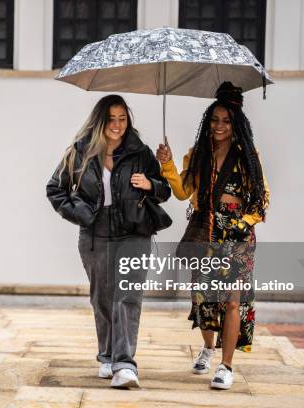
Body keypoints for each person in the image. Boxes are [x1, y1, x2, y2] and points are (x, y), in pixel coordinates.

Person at [46, 95, 171, 388]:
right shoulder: (80, 152)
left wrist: (151, 183)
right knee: (102, 298)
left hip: (133, 229)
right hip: (95, 231)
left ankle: (125, 365)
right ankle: (108, 356)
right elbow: (55, 189)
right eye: (112, 119)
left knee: (126, 296)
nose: (117, 125)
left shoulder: (140, 153)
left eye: (122, 119)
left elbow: (163, 191)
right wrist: (81, 215)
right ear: (101, 120)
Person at [156, 82, 270, 390]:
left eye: (226, 121)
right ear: (208, 121)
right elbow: (182, 192)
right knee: (205, 300)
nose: (219, 126)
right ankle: (208, 347)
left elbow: (262, 200)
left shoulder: (248, 157)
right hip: (205, 234)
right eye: (215, 120)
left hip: (237, 238)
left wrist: (245, 221)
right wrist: (166, 163)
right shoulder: (197, 156)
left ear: (236, 125)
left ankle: (226, 365)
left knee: (232, 302)